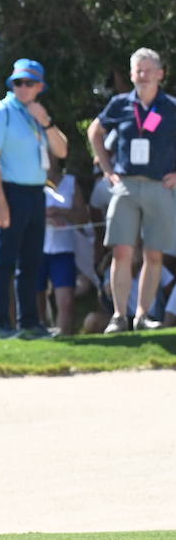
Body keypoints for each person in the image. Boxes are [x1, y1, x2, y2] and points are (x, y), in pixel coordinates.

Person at [88, 48, 176, 333]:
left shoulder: (170, 106)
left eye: (149, 70)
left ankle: (142, 316)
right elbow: (94, 132)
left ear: (160, 74)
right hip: (125, 185)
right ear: (131, 74)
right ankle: (118, 316)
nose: (143, 75)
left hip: (158, 185)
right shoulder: (119, 104)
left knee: (154, 254)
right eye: (138, 70)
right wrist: (106, 168)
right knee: (122, 252)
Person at [0, 58, 66, 339]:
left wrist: (47, 122)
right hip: (10, 190)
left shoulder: (37, 114)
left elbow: (62, 151)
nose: (23, 87)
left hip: (35, 192)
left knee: (31, 261)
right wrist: (0, 200)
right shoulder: (0, 112)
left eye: (29, 83)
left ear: (40, 86)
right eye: (18, 82)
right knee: (4, 260)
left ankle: (29, 322)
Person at [40, 161, 84, 336]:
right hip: (37, 249)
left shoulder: (71, 182)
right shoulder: (33, 181)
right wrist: (45, 217)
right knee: (37, 302)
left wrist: (61, 212)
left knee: (66, 303)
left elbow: (83, 217)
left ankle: (64, 339)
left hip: (63, 249)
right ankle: (37, 339)